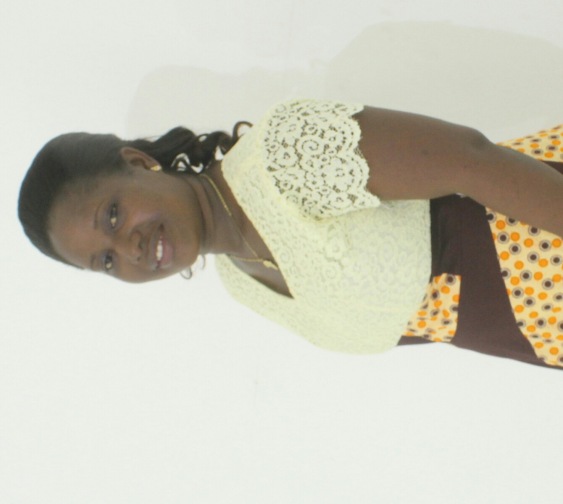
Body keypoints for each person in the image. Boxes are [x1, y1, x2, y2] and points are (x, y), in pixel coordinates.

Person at [18, 99, 563, 369]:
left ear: (140, 164)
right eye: (105, 261)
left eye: (113, 217)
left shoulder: (282, 155)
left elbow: (470, 159)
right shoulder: (242, 284)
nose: (128, 249)